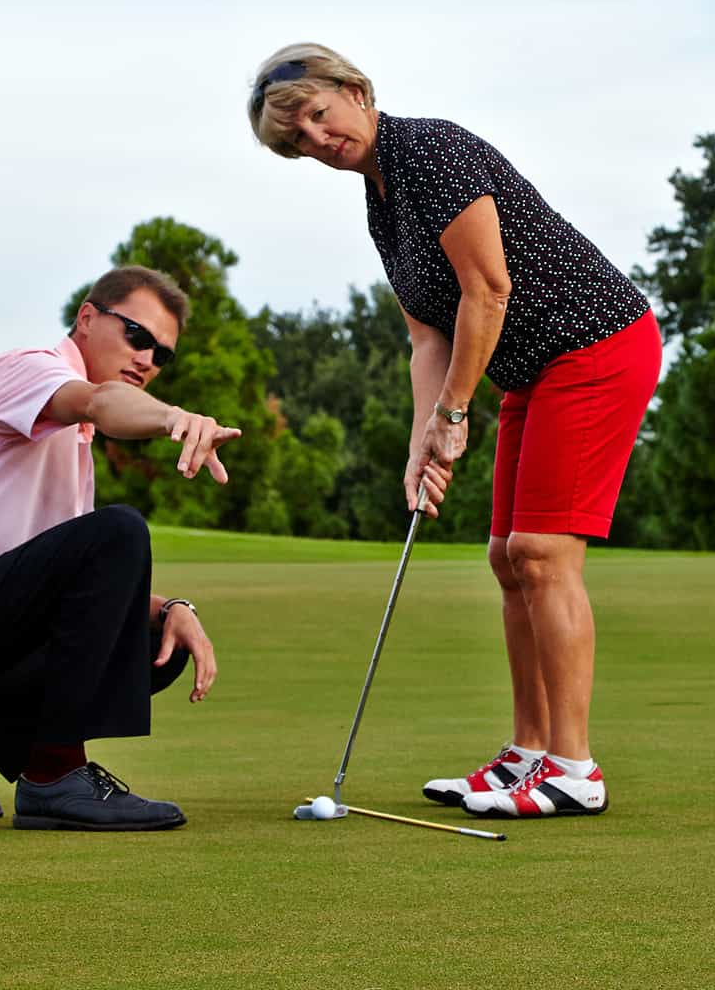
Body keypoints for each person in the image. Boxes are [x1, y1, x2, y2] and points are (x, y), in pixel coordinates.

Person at [246, 44, 662, 820]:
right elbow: (427, 337)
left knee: (542, 553)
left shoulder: (431, 151)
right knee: (508, 558)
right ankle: (528, 754)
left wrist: (455, 413)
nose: (317, 139)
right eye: (297, 138)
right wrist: (421, 442)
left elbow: (488, 290)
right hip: (532, 370)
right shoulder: (381, 201)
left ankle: (574, 768)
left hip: (596, 346)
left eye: (318, 115)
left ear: (355, 90)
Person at [0, 265, 240, 831]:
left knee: (157, 642)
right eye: (136, 335)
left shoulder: (73, 449)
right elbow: (99, 402)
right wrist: (175, 419)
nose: (147, 359)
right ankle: (55, 776)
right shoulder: (29, 370)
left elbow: (79, 599)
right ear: (87, 318)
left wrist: (173, 609)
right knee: (120, 531)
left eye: (162, 355)